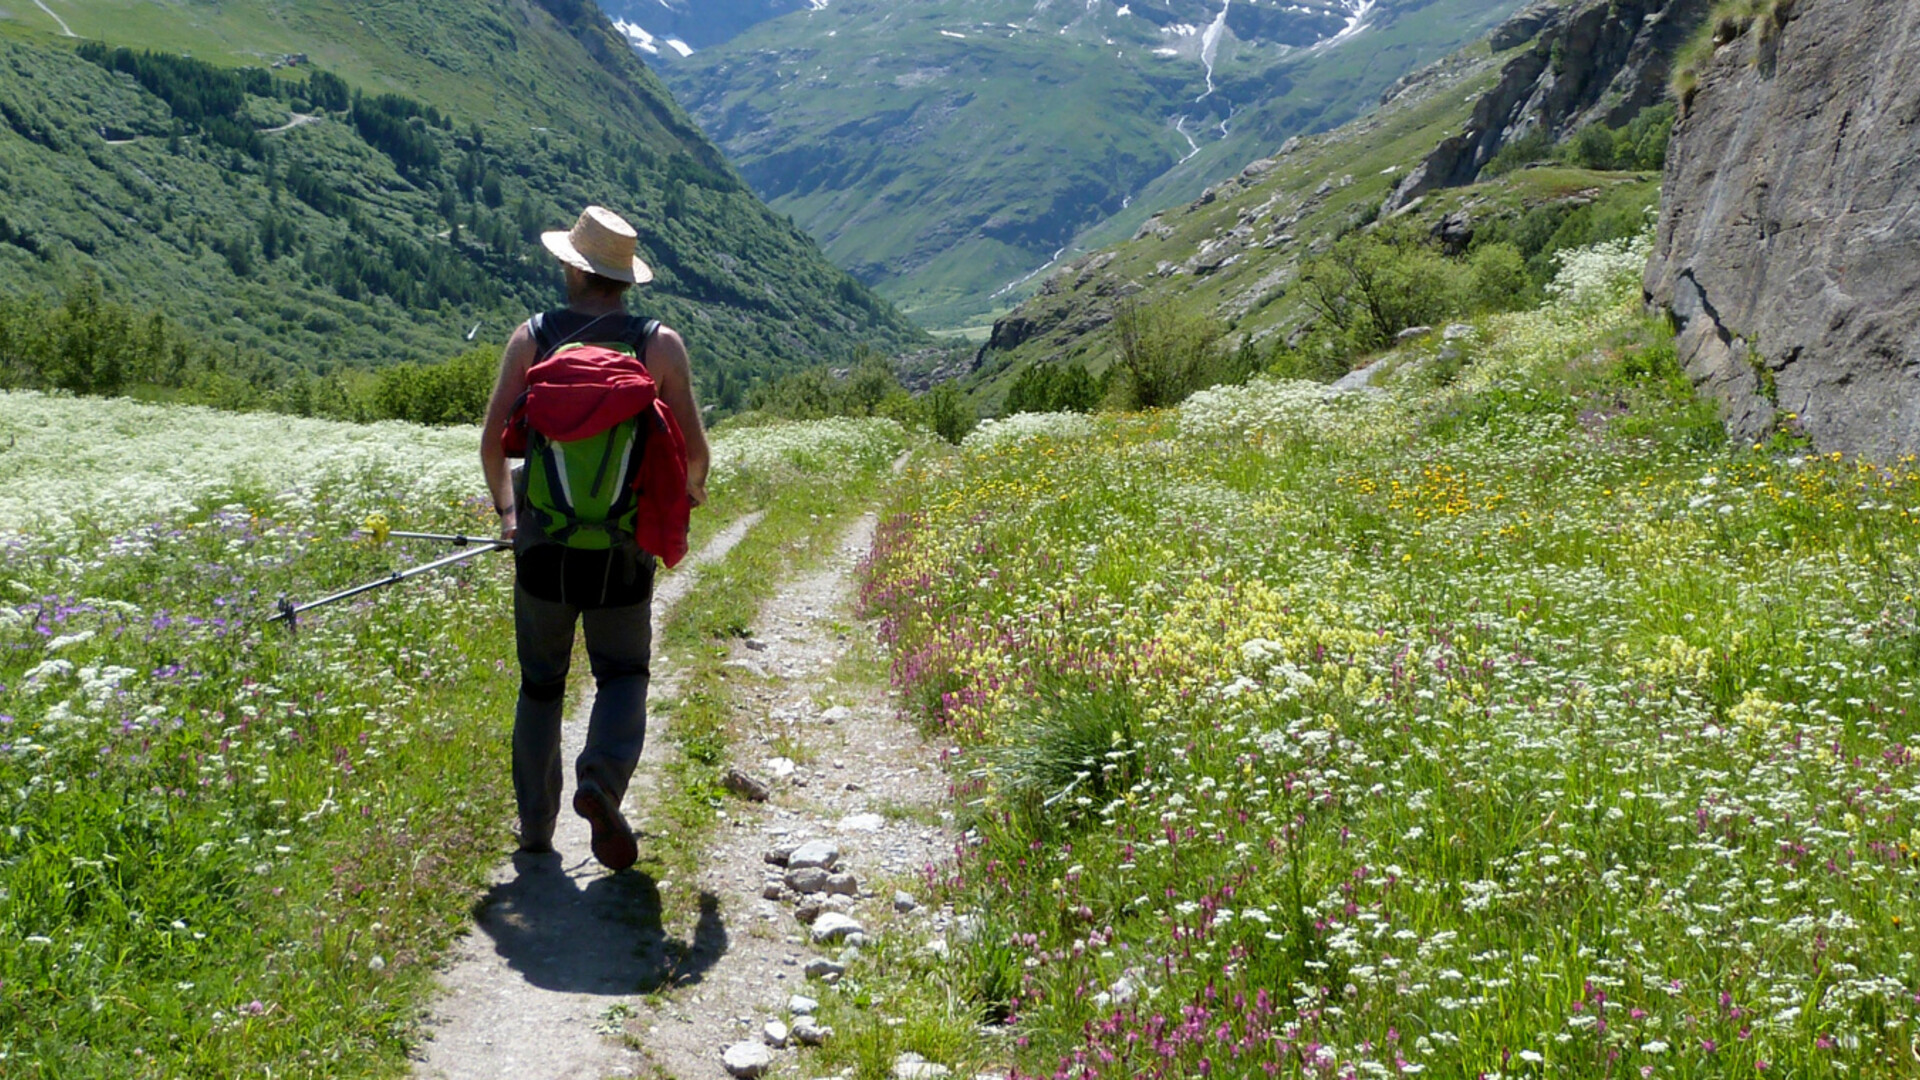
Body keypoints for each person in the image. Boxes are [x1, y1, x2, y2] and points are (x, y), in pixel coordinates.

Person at [479, 205, 710, 870]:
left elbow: (494, 445)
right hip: (622, 552)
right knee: (622, 674)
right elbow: (695, 453)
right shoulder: (658, 344)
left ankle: (534, 830)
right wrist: (682, 497)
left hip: (542, 550)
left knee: (541, 686)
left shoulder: (533, 338)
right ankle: (600, 782)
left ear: (573, 268)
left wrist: (507, 517)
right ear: (624, 278)